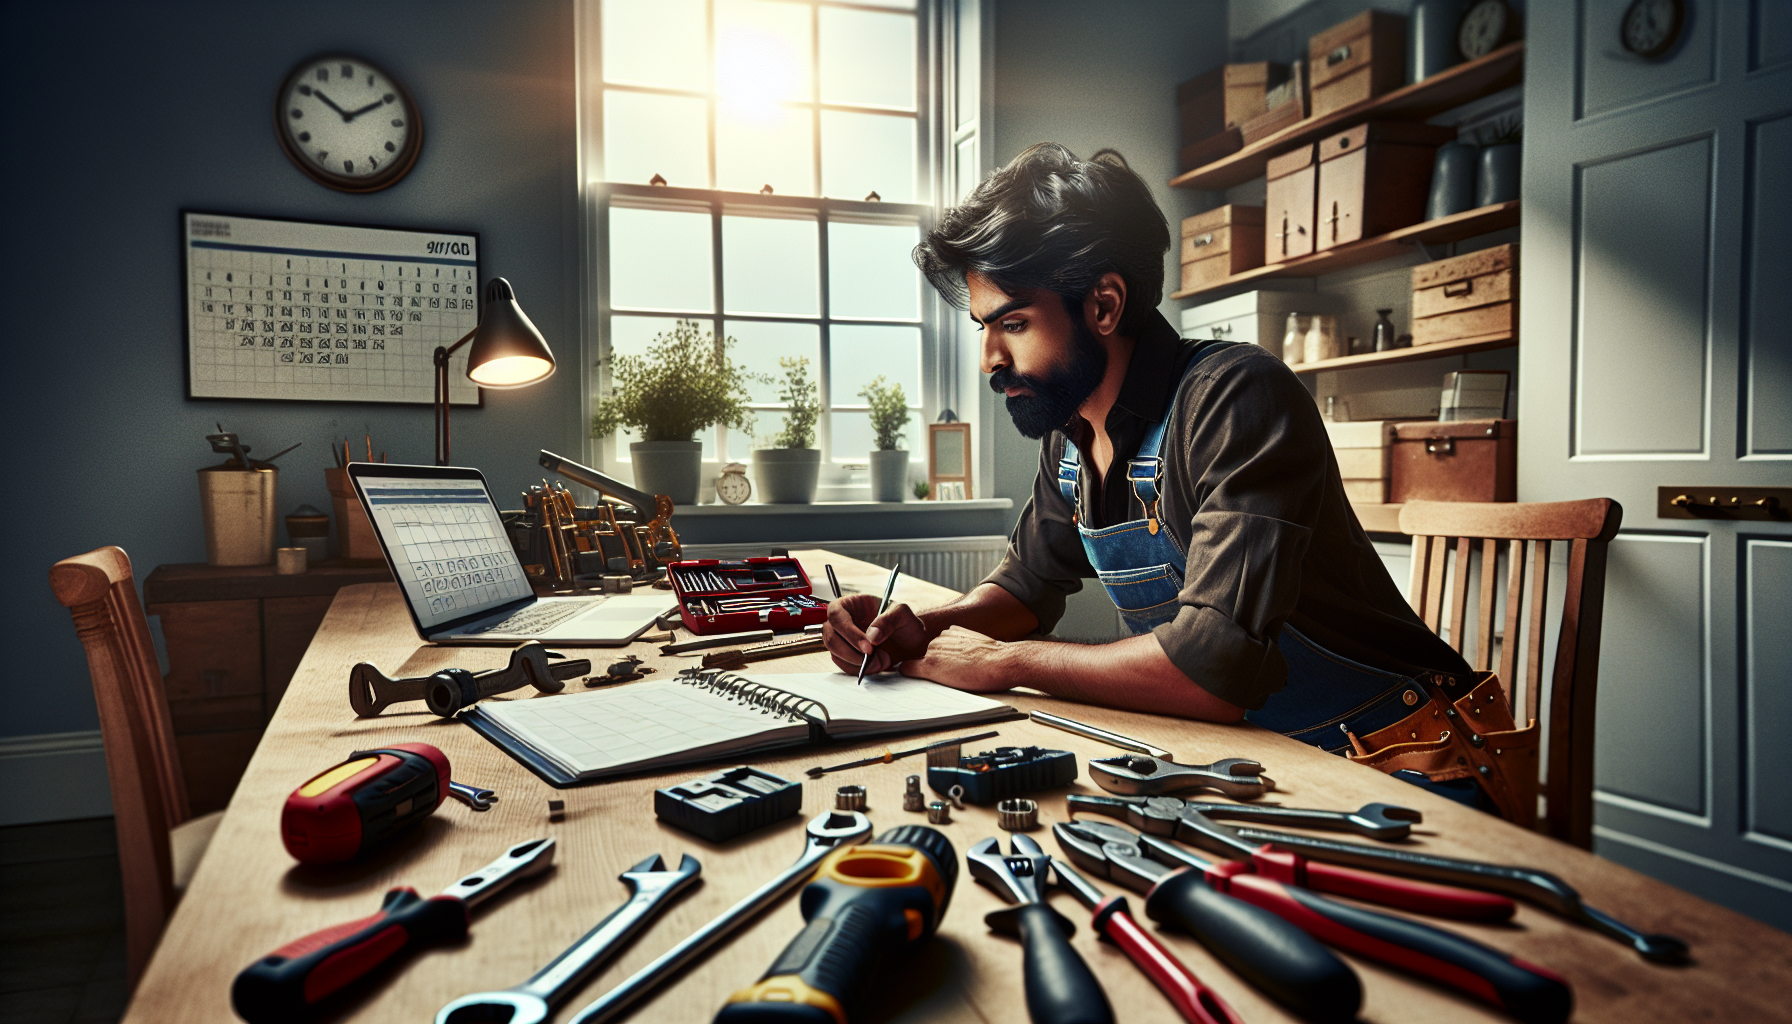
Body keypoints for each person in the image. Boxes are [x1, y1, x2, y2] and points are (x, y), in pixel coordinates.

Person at [822, 143, 1475, 755]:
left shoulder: (1237, 398)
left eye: (1013, 323)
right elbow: (1026, 588)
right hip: (1257, 753)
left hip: (1413, 753)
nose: (990, 358)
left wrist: (1005, 662)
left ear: (1104, 305)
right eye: (983, 328)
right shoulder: (1071, 429)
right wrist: (918, 628)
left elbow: (1212, 670)